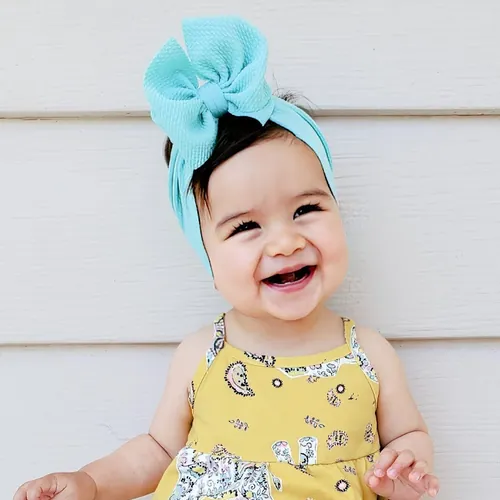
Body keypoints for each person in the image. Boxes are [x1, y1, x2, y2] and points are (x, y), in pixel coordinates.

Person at [14, 16, 440, 500]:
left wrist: (407, 465)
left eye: (306, 209)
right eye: (245, 227)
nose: (284, 243)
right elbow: (158, 450)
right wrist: (90, 482)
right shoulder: (202, 354)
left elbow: (409, 435)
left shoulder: (367, 353)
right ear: (208, 258)